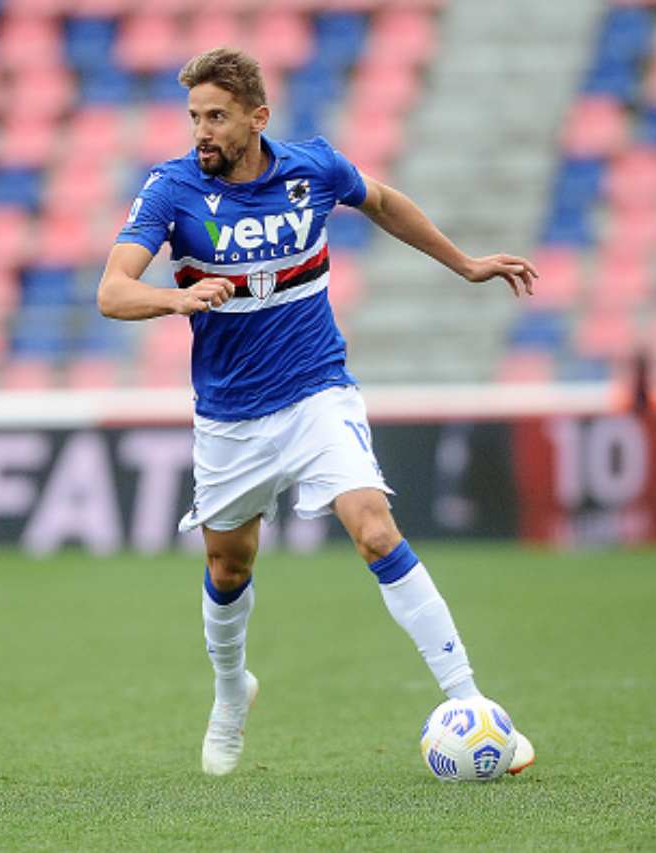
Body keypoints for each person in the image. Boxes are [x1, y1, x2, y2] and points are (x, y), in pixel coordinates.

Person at [98, 48, 538, 776]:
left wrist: (464, 264)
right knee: (228, 565)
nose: (201, 132)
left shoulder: (314, 168)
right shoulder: (171, 190)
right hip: (230, 416)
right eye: (193, 117)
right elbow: (113, 291)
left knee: (373, 525)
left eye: (216, 117)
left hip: (315, 392)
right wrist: (175, 297)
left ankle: (472, 701)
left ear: (257, 118)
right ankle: (232, 688)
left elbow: (386, 202)